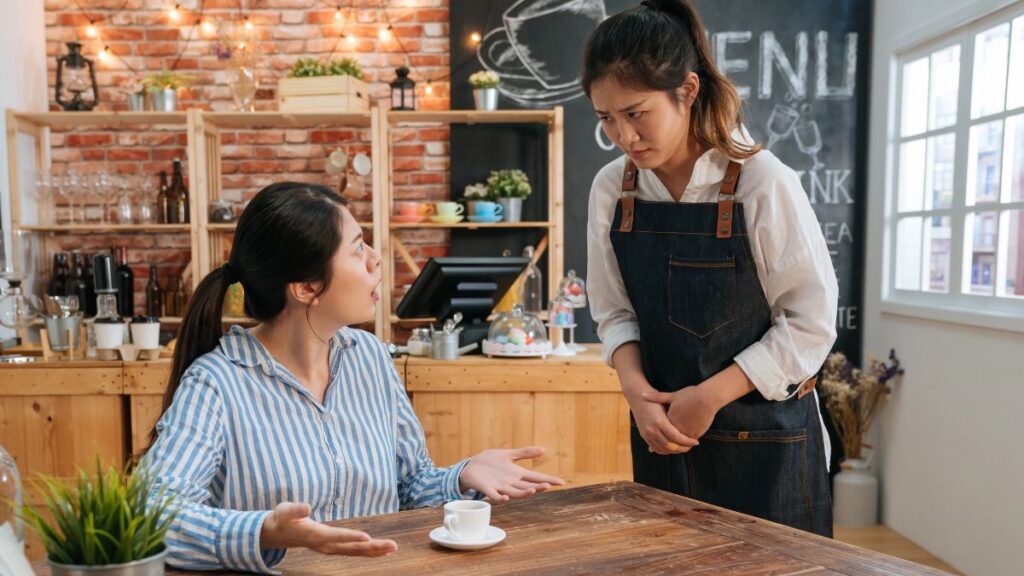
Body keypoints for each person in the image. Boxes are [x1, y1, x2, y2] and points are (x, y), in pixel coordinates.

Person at [142, 182, 564, 572]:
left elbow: (409, 485)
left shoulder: (370, 358)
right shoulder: (217, 382)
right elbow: (150, 514)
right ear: (307, 288)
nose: (376, 258)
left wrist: (462, 474)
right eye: (358, 248)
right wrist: (263, 532)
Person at [583, 0, 838, 536]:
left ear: (688, 91)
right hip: (664, 436)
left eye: (635, 113)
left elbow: (810, 323)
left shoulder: (761, 180)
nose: (624, 137)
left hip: (769, 442)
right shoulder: (613, 188)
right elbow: (614, 312)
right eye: (606, 118)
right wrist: (636, 391)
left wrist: (710, 396)